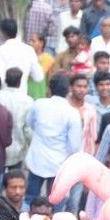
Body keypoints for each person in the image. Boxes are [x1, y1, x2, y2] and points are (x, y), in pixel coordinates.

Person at [25, 74, 82, 205]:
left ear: (49, 89)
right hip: (58, 163)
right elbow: (74, 146)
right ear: (69, 90)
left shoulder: (39, 104)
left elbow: (30, 124)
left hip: (37, 159)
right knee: (56, 202)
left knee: (29, 199)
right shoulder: (72, 113)